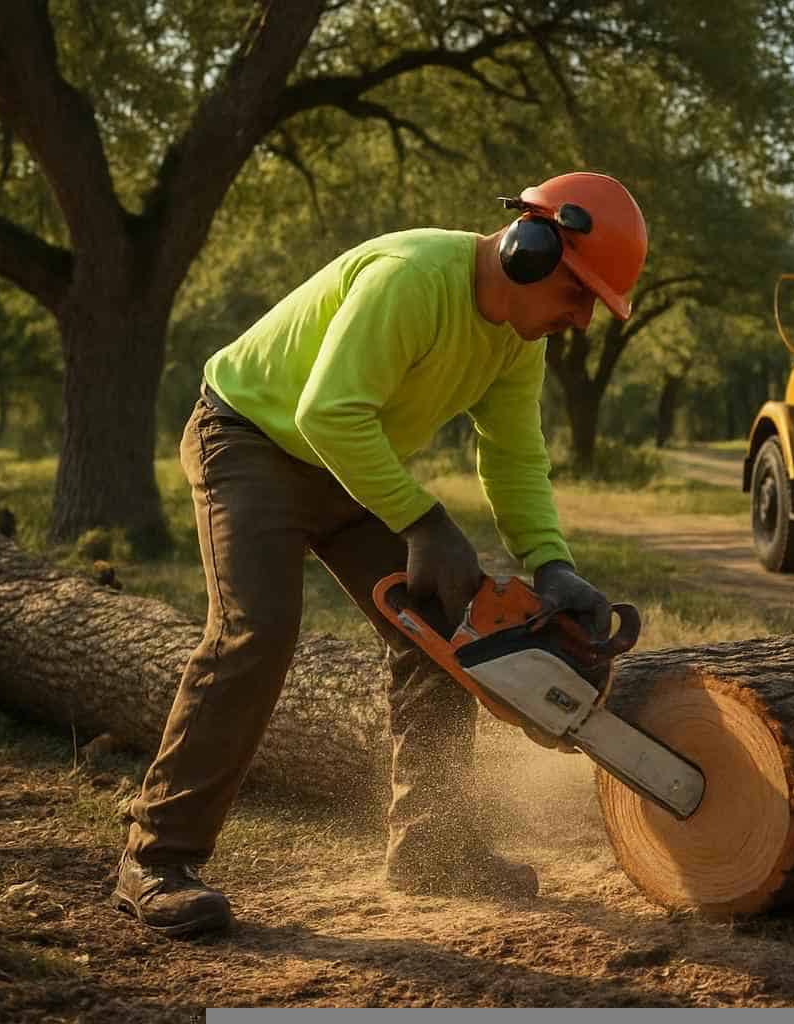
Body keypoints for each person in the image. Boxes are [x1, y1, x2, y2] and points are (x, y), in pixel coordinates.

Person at [110, 172, 648, 938]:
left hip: (350, 462)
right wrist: (425, 522)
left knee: (439, 631)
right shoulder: (412, 279)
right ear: (530, 251)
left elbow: (515, 456)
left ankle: (433, 847)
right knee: (256, 629)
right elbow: (325, 412)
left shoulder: (514, 340)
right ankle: (155, 858)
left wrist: (551, 562)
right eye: (579, 294)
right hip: (250, 440)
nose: (582, 318)